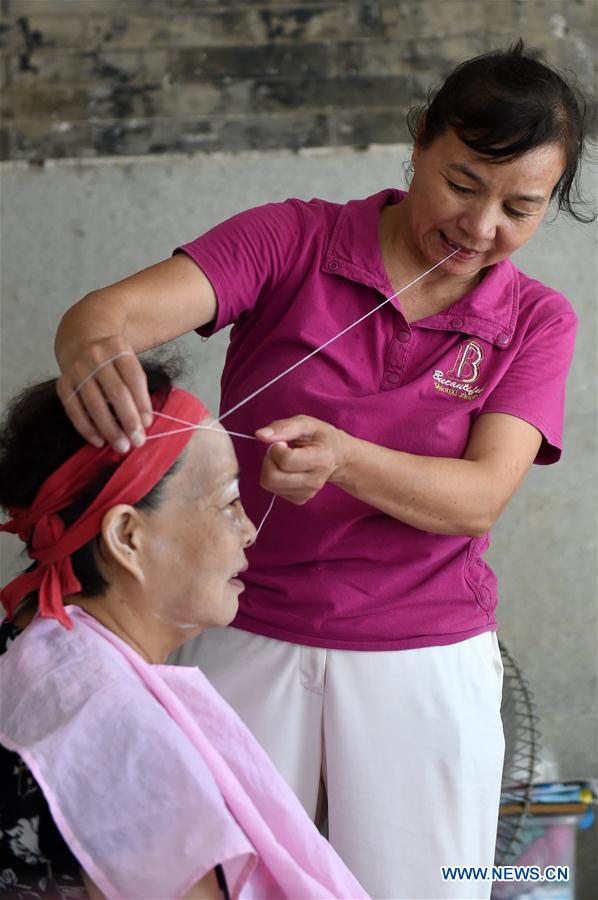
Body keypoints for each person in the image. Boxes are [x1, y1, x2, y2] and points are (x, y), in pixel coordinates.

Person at [52, 43, 592, 899]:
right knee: (221, 880)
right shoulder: (290, 240)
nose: (482, 227)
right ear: (418, 141)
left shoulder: (536, 319)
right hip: (243, 624)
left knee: (435, 884)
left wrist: (345, 459)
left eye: (520, 208)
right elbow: (108, 315)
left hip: (425, 653)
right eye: (461, 184)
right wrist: (91, 343)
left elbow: (479, 498)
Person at [0, 361, 368, 900]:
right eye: (228, 502)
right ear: (127, 535)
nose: (247, 531)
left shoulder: (24, 645)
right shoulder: (122, 738)